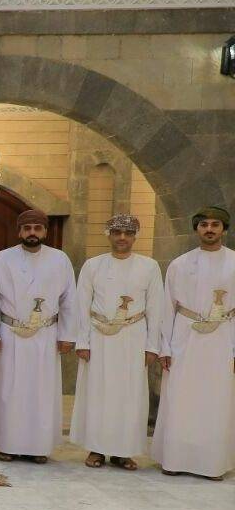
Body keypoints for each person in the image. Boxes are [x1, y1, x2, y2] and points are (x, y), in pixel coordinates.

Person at [70, 214, 164, 471]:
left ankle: (124, 451)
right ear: (108, 234)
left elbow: (156, 308)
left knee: (129, 395)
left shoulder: (149, 266)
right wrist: (82, 341)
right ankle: (96, 448)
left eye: (128, 233)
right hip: (99, 338)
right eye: (117, 232)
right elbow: (81, 305)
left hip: (133, 338)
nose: (122, 237)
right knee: (98, 392)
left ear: (135, 236)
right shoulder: (93, 265)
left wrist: (152, 346)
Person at [0, 209, 75, 464]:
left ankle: (38, 447)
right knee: (9, 390)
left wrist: (67, 335)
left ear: (45, 231)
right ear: (19, 231)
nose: (32, 233)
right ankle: (8, 444)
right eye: (27, 228)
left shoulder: (60, 260)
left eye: (37, 228)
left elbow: (69, 300)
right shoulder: (2, 259)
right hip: (10, 335)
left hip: (46, 335)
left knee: (41, 391)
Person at [151, 206, 235, 480]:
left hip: (222, 339)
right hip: (184, 339)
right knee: (180, 398)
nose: (209, 229)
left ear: (224, 229)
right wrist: (164, 347)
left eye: (215, 225)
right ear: (196, 229)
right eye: (204, 225)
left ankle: (212, 464)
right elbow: (167, 308)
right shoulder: (180, 264)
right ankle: (175, 459)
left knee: (217, 400)